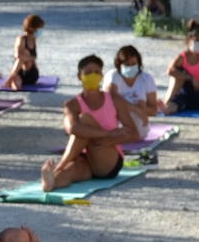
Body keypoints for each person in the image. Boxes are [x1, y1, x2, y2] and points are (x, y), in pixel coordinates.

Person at [40, 54, 141, 193]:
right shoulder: (72, 104)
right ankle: (52, 182)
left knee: (84, 120)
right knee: (70, 171)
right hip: (85, 158)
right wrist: (107, 134)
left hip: (108, 158)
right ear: (79, 76)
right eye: (88, 73)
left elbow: (134, 133)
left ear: (101, 76)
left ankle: (60, 165)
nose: (93, 76)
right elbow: (72, 128)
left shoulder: (114, 100)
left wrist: (110, 140)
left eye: (96, 72)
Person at [103, 45, 159, 131]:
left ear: (139, 63)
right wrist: (136, 109)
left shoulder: (147, 79)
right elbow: (111, 97)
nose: (130, 67)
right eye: (127, 64)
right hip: (115, 123)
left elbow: (153, 111)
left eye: (133, 64)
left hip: (139, 126)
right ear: (119, 65)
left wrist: (143, 108)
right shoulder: (113, 76)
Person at [162, 20, 199, 115]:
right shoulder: (181, 57)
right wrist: (190, 78)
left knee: (179, 72)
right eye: (196, 41)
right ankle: (166, 103)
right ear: (188, 40)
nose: (198, 44)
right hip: (185, 94)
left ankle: (167, 100)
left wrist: (191, 79)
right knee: (170, 108)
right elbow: (170, 71)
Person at [3, 15, 45, 90]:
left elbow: (33, 60)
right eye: (40, 28)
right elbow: (17, 55)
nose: (41, 31)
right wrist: (30, 57)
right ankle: (12, 79)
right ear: (32, 28)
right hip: (19, 72)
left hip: (31, 73)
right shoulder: (21, 39)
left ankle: (10, 79)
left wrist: (29, 58)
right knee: (16, 87)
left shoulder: (34, 40)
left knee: (26, 54)